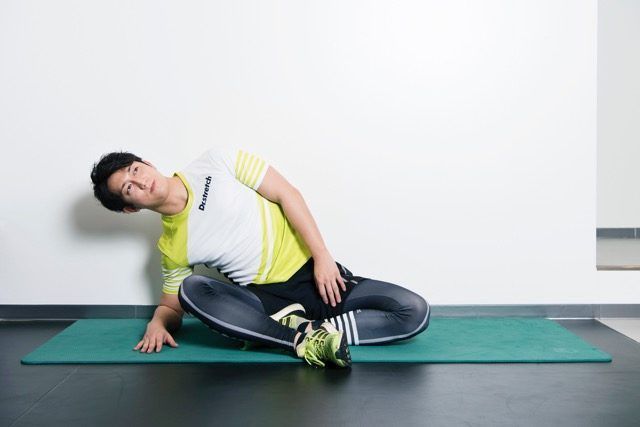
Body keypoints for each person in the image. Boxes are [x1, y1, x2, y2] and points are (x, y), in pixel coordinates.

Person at [90, 147, 430, 368]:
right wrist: (157, 322)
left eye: (135, 170)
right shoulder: (171, 246)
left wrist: (322, 257)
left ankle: (311, 331)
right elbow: (173, 305)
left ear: (148, 164)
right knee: (190, 288)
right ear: (130, 208)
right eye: (128, 188)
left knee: (414, 311)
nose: (140, 181)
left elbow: (286, 194)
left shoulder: (216, 161)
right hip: (268, 302)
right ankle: (296, 340)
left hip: (316, 276)